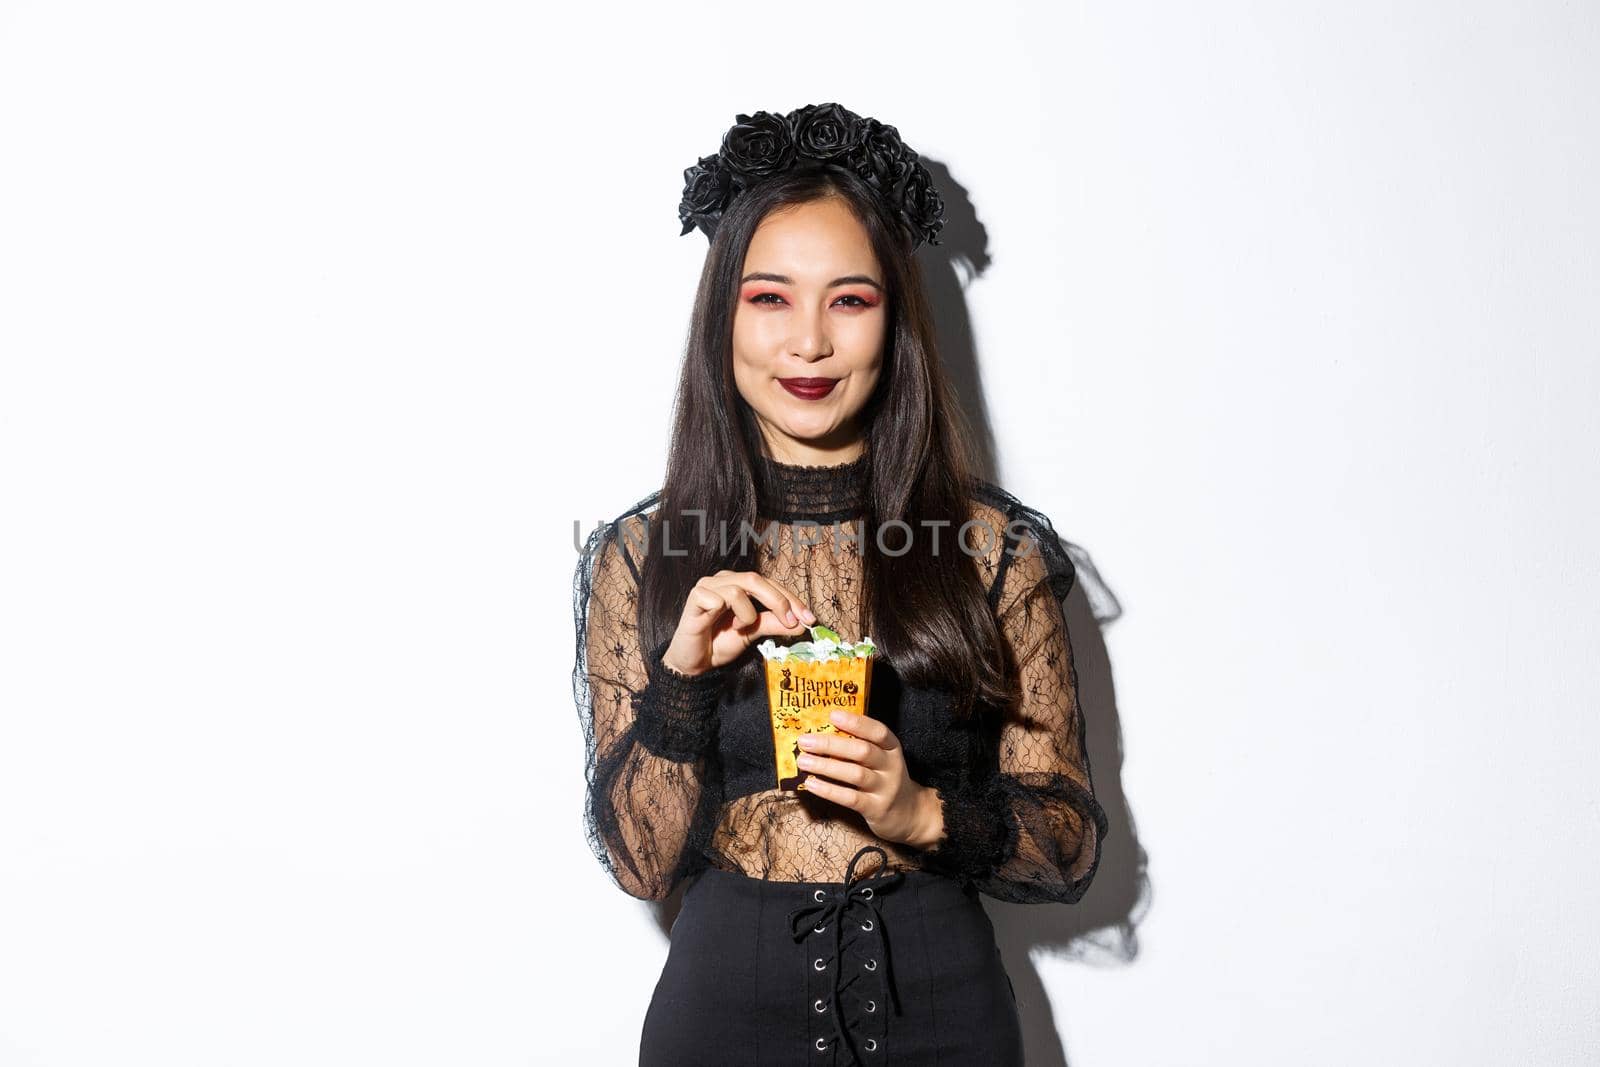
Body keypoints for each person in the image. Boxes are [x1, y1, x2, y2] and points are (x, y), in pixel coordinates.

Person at [571, 102, 1109, 1067]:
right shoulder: (647, 556)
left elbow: (1067, 841)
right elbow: (640, 860)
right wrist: (683, 682)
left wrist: (924, 814)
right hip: (721, 1018)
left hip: (947, 1016)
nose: (808, 343)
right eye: (769, 297)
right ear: (721, 316)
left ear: (895, 320)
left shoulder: (991, 552)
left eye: (849, 299)